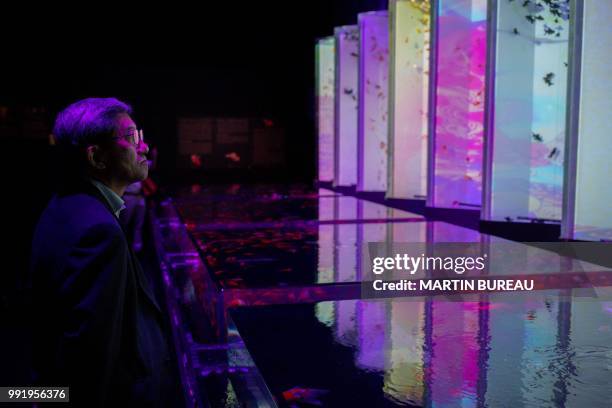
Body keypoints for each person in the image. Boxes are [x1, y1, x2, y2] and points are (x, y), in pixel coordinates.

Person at [29, 98, 175, 406]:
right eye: (131, 137)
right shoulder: (99, 233)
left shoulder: (65, 206)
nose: (144, 147)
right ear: (96, 157)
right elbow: (90, 358)